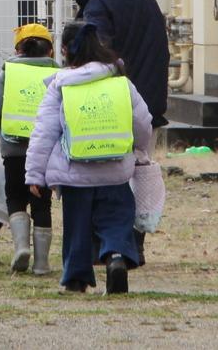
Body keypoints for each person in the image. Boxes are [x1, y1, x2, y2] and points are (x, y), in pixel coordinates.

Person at [25, 21, 153, 295]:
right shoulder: (120, 81)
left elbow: (44, 132)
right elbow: (142, 122)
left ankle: (76, 278)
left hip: (75, 173)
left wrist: (35, 174)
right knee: (117, 218)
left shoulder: (60, 85)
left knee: (77, 227)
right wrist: (140, 149)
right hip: (116, 167)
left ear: (64, 51)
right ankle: (116, 257)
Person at [68, 0, 170, 264]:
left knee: (109, 177)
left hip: (111, 106)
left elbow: (95, 60)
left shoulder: (98, 7)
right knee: (140, 171)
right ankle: (135, 242)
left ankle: (111, 244)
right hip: (150, 104)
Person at [0, 23, 59, 275]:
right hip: (47, 151)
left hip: (14, 149)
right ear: (50, 51)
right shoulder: (58, 73)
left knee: (15, 197)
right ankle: (41, 263)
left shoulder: (10, 71)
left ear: (19, 49)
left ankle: (20, 248)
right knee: (43, 204)